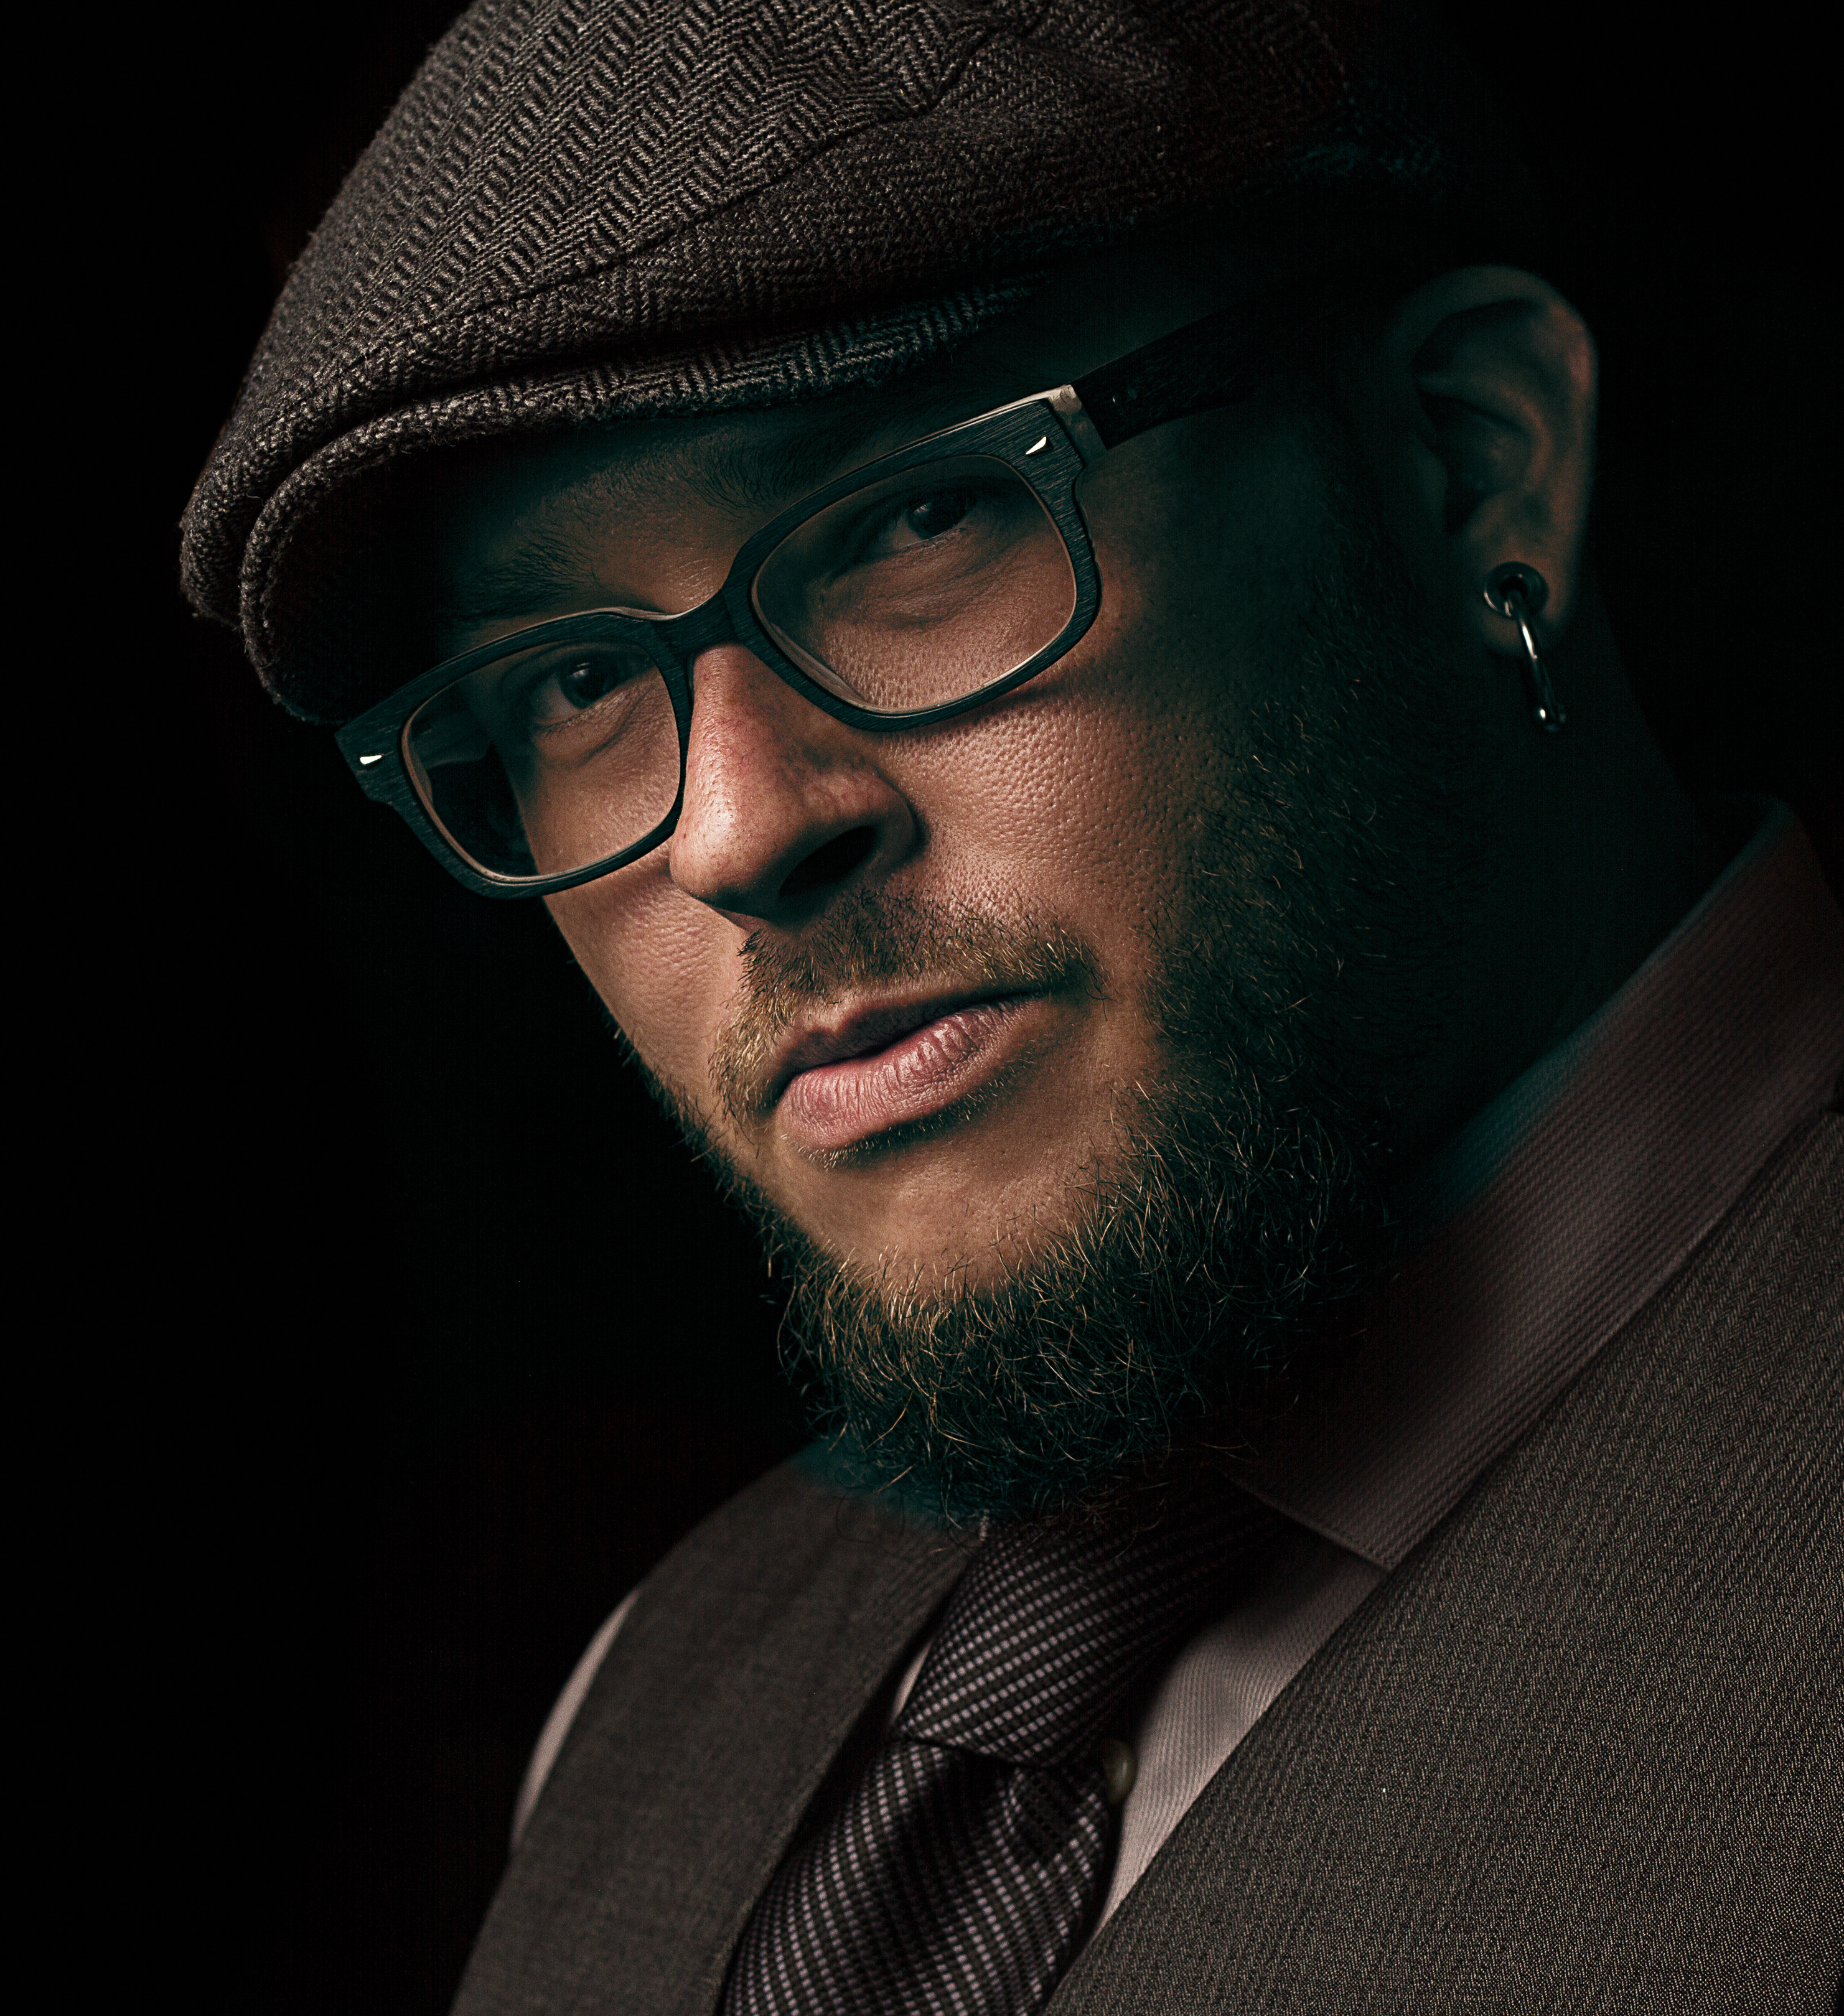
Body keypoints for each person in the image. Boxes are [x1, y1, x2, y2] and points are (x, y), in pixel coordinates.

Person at [182, 1, 1844, 2006]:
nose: (734, 830)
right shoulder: (657, 1698)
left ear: (1469, 459)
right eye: (577, 682)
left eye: (919, 516)